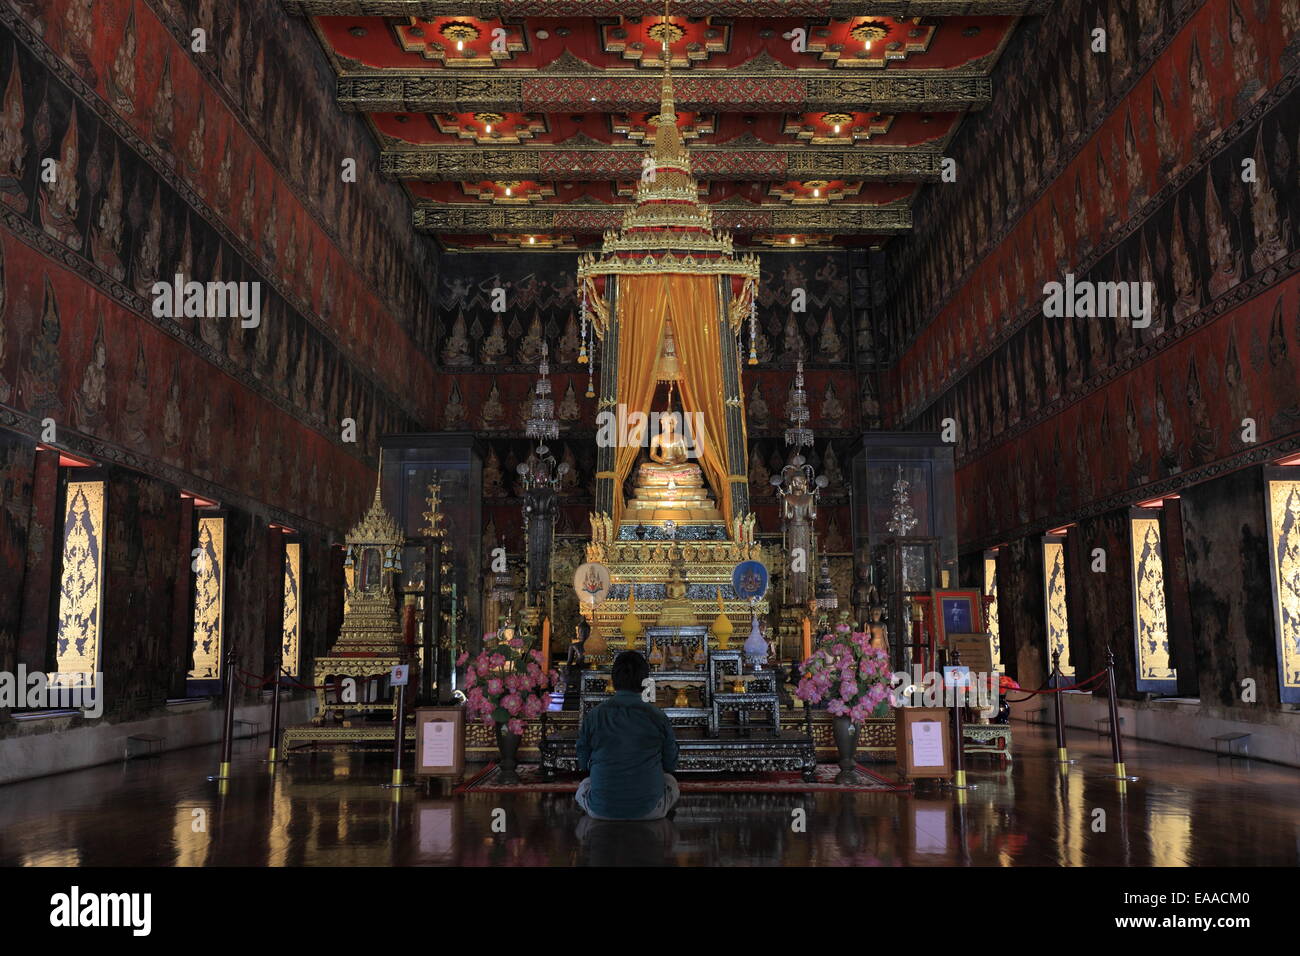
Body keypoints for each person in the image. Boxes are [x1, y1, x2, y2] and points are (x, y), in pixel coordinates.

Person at [575, 650, 679, 821]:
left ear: (614, 680)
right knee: (670, 781)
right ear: (645, 682)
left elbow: (583, 761)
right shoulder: (657, 715)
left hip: (600, 809)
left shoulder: (595, 715)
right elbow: (670, 763)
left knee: (585, 785)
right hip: (650, 810)